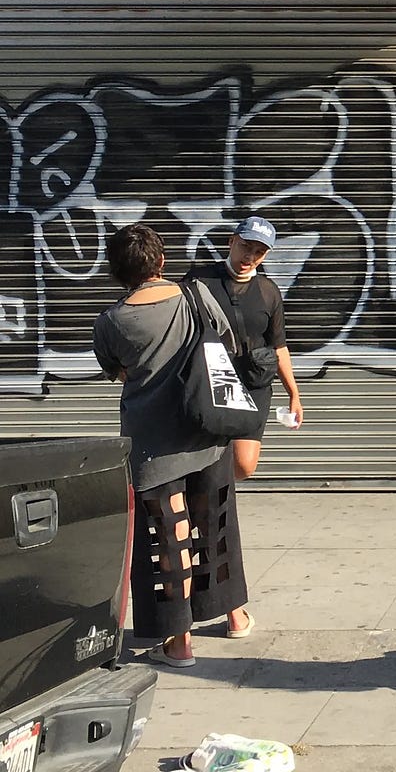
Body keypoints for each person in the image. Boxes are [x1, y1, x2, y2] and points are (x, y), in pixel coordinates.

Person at [92, 223, 251, 667]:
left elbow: (120, 373)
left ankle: (179, 644)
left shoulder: (110, 322)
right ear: (161, 262)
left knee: (169, 537)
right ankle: (235, 616)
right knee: (215, 524)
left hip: (150, 448)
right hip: (207, 431)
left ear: (117, 272)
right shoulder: (197, 295)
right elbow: (227, 347)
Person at [184, 214, 303, 641]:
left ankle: (212, 490)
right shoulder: (199, 281)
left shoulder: (269, 293)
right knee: (217, 464)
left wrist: (294, 392)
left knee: (246, 465)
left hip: (254, 385)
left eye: (259, 250)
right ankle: (210, 493)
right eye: (245, 245)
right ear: (231, 242)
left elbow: (281, 345)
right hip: (213, 386)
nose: (250, 255)